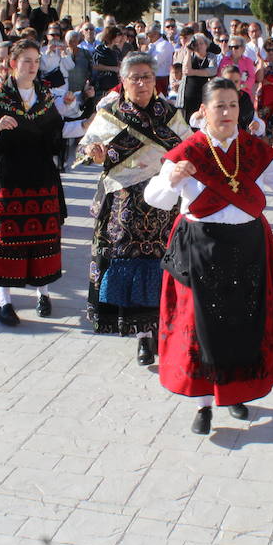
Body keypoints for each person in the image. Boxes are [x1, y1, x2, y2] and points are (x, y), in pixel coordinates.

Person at [144, 77, 273, 434]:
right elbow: (155, 197)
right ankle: (203, 404)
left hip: (247, 247)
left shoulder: (254, 149)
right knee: (201, 328)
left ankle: (235, 393)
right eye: (219, 106)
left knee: (242, 324)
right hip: (200, 247)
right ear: (203, 111)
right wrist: (173, 179)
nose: (227, 112)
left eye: (232, 105)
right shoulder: (189, 151)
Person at [79, 52, 192, 363]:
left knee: (162, 261)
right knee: (129, 261)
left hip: (164, 201)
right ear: (123, 81)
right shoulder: (111, 114)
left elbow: (189, 147)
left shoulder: (169, 113)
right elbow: (86, 149)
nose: (142, 83)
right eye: (135, 78)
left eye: (147, 77)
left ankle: (161, 328)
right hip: (124, 200)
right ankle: (142, 335)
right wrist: (96, 154)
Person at [0, 40, 81, 325]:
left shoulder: (45, 95)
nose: (33, 66)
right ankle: (4, 301)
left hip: (41, 174)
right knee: (7, 238)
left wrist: (85, 124)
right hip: (9, 175)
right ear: (13, 63)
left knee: (44, 235)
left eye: (36, 60)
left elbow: (58, 130)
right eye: (27, 60)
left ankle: (43, 293)